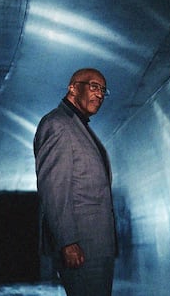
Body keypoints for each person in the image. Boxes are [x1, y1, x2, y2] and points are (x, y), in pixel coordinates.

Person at [34, 68, 117, 296]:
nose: (99, 94)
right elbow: (54, 187)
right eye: (93, 86)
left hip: (95, 244)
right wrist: (67, 241)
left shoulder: (79, 126)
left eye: (103, 90)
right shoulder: (58, 124)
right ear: (73, 87)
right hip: (81, 244)